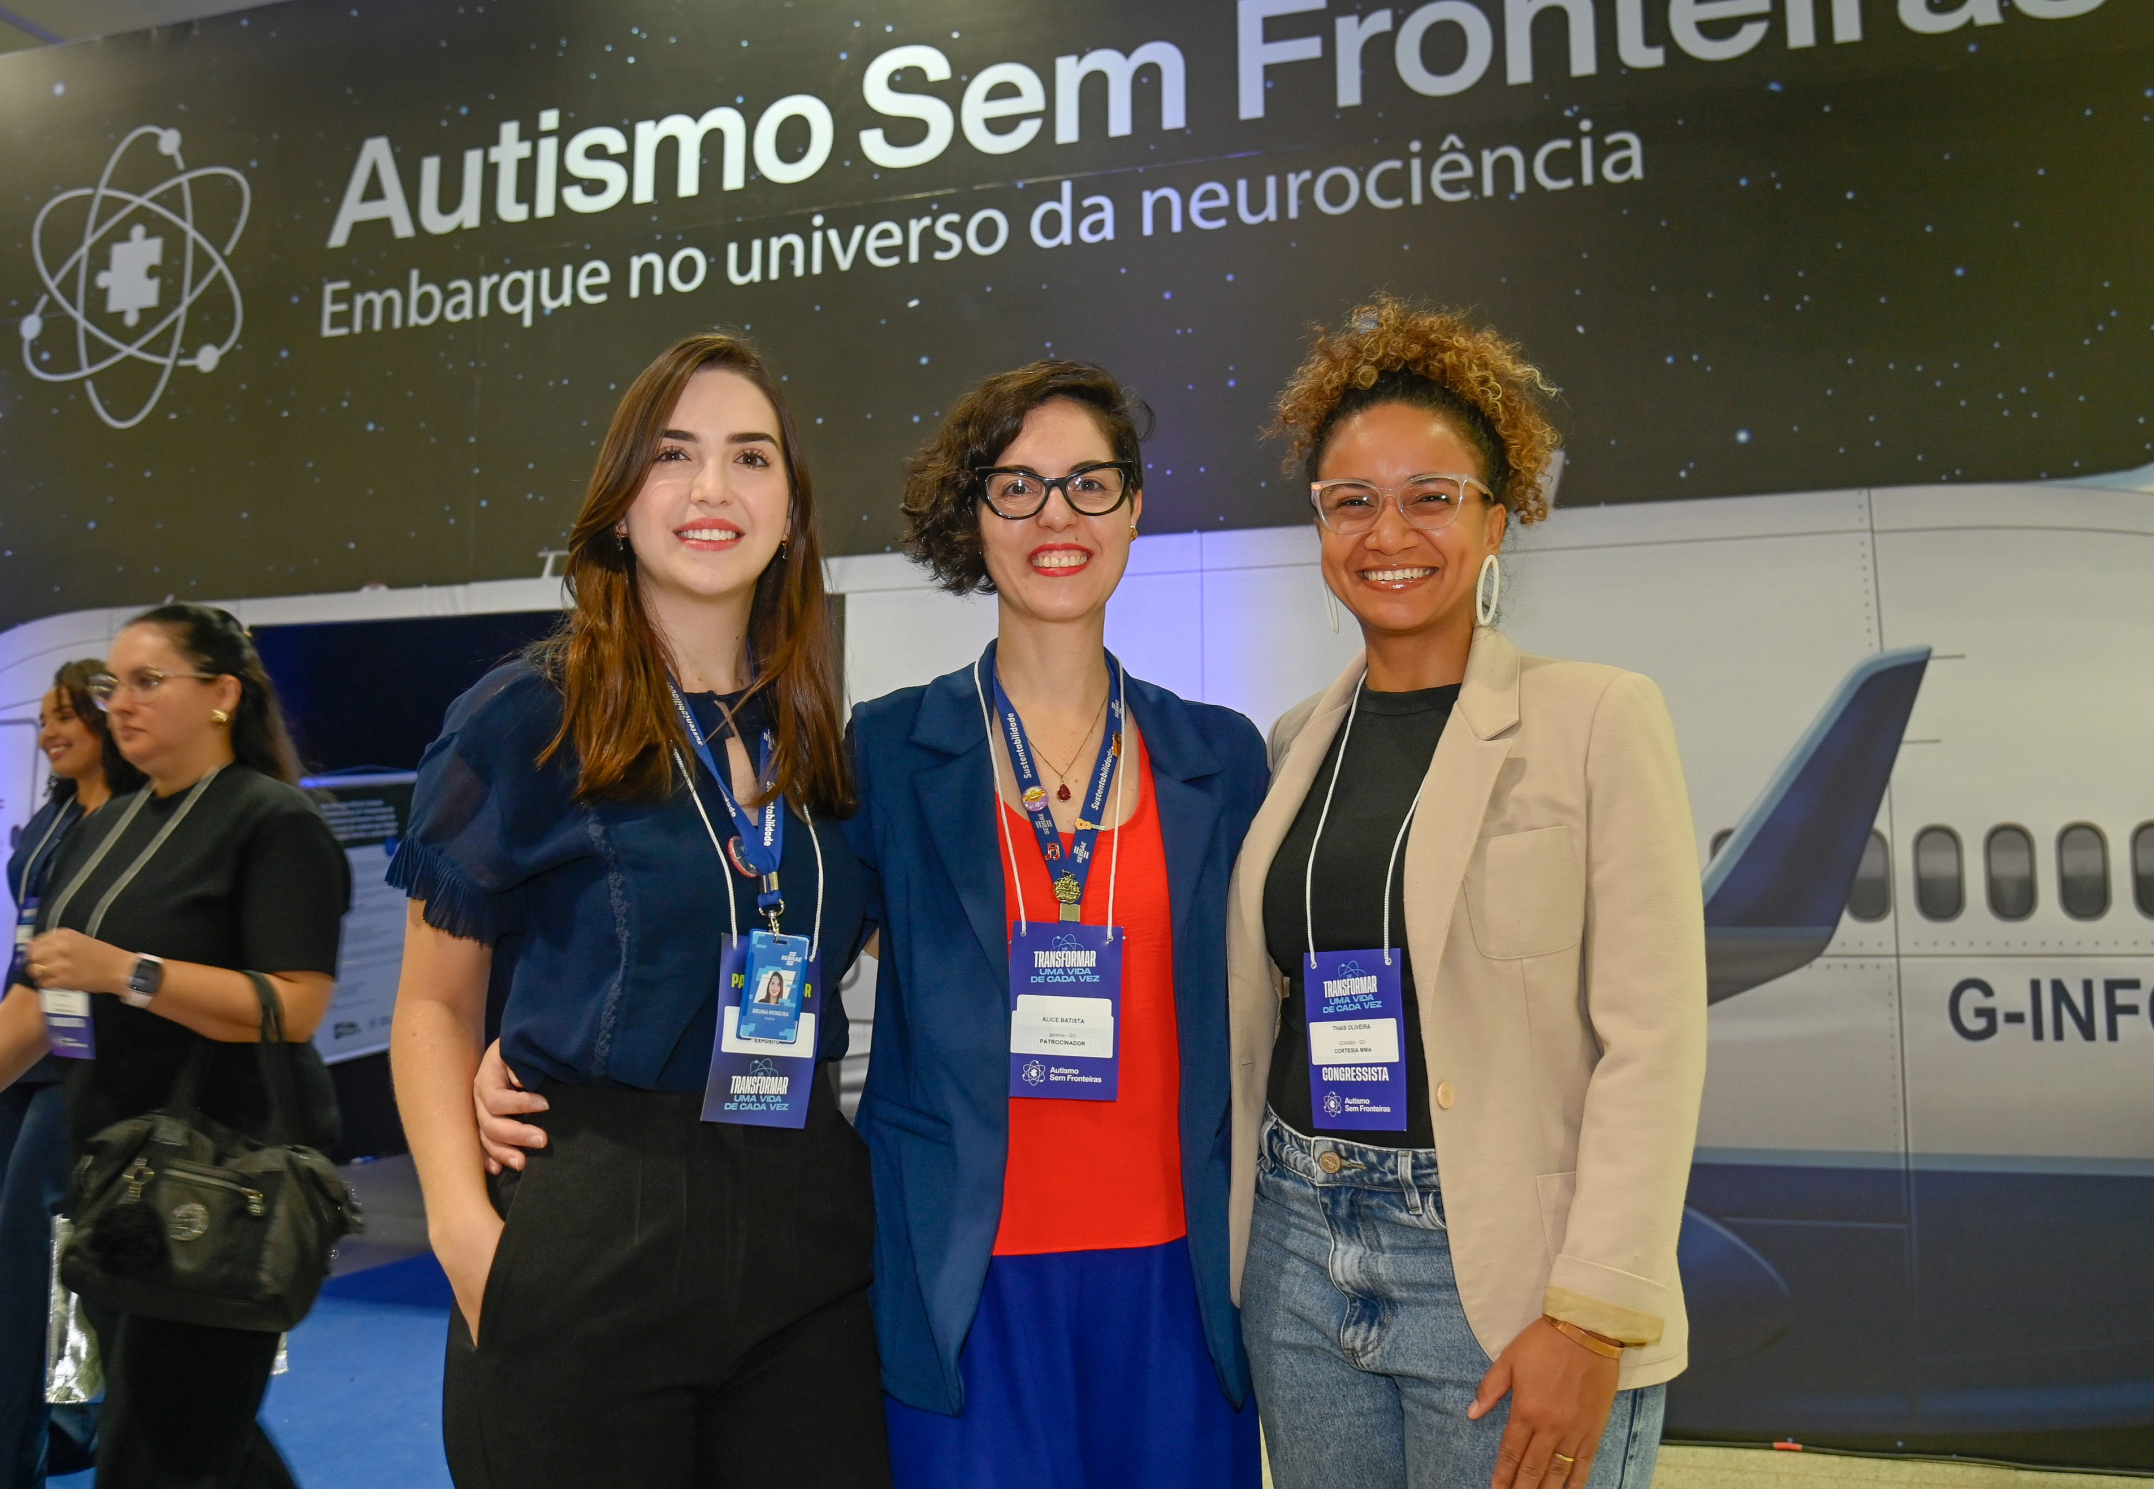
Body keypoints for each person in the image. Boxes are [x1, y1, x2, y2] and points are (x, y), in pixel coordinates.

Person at [389, 335, 889, 1489]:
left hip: (805, 1247)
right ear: (620, 504)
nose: (713, 488)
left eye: (750, 457)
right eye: (674, 455)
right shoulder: (529, 714)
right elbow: (432, 1003)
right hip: (592, 1241)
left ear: (790, 512)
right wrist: (466, 1239)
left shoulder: (815, 734)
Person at [1229, 299, 1707, 1489]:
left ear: (1497, 519)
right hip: (1300, 1247)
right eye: (1350, 500)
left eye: (1430, 496)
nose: (1387, 531)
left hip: (1504, 1277)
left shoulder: (1595, 717)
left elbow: (1654, 1040)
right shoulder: (1293, 741)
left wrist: (1592, 1315)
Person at [849, 361, 1267, 1487]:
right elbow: (779, 937)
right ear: (973, 513)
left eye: (1089, 483)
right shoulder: (888, 750)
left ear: (1133, 507)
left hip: (1179, 1283)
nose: (1055, 517)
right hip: (968, 1283)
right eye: (1017, 485)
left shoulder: (1220, 756)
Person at [0, 604, 351, 1489]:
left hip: (222, 1183)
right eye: (115, 684)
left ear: (222, 695)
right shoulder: (104, 827)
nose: (121, 703)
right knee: (184, 1439)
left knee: (163, 1444)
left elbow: (293, 1006)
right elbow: (32, 1009)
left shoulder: (273, 821)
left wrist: (128, 972)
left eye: (149, 681)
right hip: (115, 1187)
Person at [0, 660, 136, 1489]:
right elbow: (27, 954)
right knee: (60, 1260)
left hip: (93, 1066)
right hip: (30, 1056)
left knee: (30, 1262)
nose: (50, 733)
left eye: (66, 716)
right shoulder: (50, 821)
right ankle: (73, 1422)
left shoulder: (140, 819)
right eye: (45, 719)